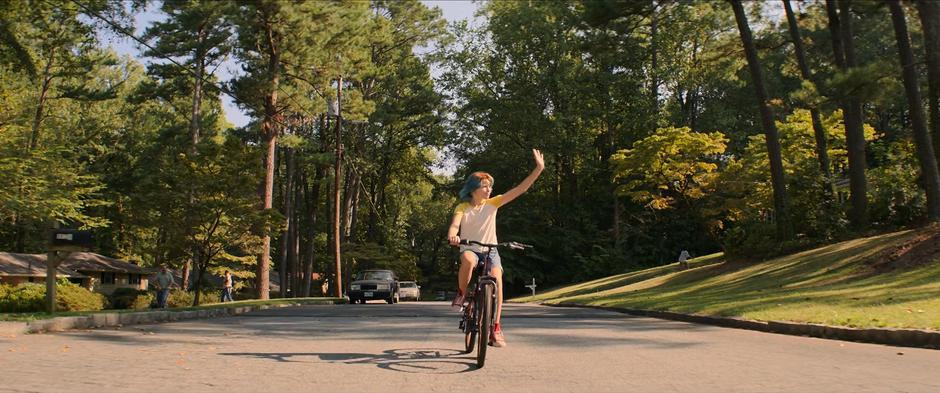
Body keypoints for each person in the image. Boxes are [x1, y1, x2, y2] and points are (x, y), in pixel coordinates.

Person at [447, 148, 545, 348]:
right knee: (467, 260)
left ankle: (496, 328)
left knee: (497, 279)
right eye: (484, 186)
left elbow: (520, 189)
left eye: (490, 186)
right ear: (474, 189)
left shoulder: (493, 204)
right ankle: (461, 292)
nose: (488, 189)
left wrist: (539, 169)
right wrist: (453, 235)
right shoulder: (462, 207)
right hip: (470, 248)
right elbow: (455, 224)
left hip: (491, 250)